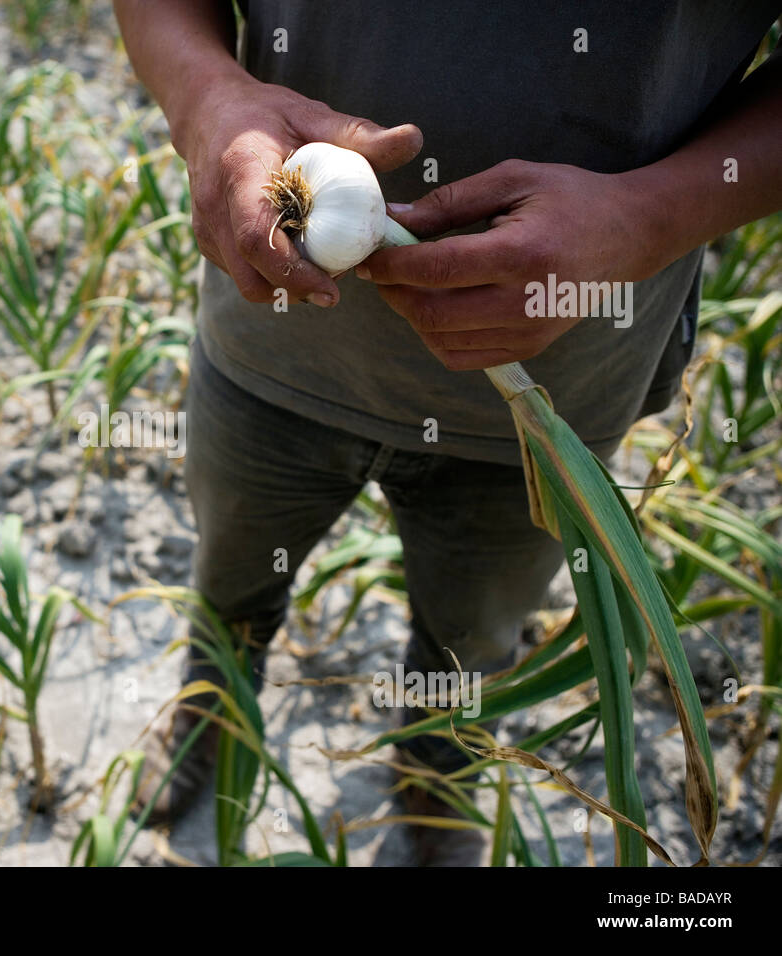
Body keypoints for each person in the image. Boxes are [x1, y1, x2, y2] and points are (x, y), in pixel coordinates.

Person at [111, 0, 782, 865]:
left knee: (470, 641)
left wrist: (649, 216)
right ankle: (213, 701)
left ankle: (437, 768)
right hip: (273, 348)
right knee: (232, 579)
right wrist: (205, 96)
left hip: (550, 398)